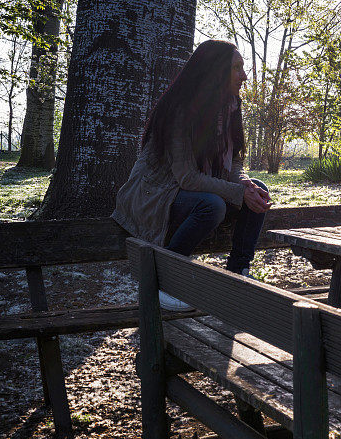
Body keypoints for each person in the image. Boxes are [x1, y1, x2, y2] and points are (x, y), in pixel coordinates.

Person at [112, 40, 272, 310]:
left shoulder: (231, 107)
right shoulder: (181, 111)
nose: (244, 76)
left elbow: (234, 163)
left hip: (187, 195)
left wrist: (245, 184)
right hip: (155, 195)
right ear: (215, 71)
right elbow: (186, 177)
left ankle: (237, 273)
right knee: (212, 204)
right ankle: (167, 282)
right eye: (237, 68)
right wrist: (238, 192)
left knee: (258, 188)